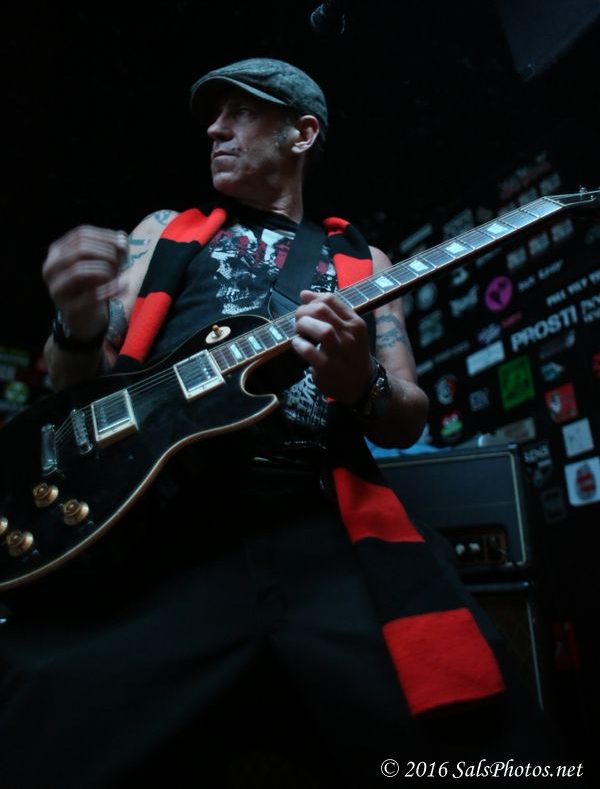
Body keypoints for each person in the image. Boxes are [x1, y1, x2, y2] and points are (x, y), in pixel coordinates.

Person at [0, 58, 585, 788]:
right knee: (39, 723)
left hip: (318, 526)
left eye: (241, 112)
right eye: (213, 116)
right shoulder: (163, 234)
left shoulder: (363, 262)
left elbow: (407, 412)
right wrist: (77, 321)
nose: (215, 129)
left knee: (481, 742)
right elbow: (74, 381)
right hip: (164, 527)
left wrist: (361, 382)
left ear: (301, 134)